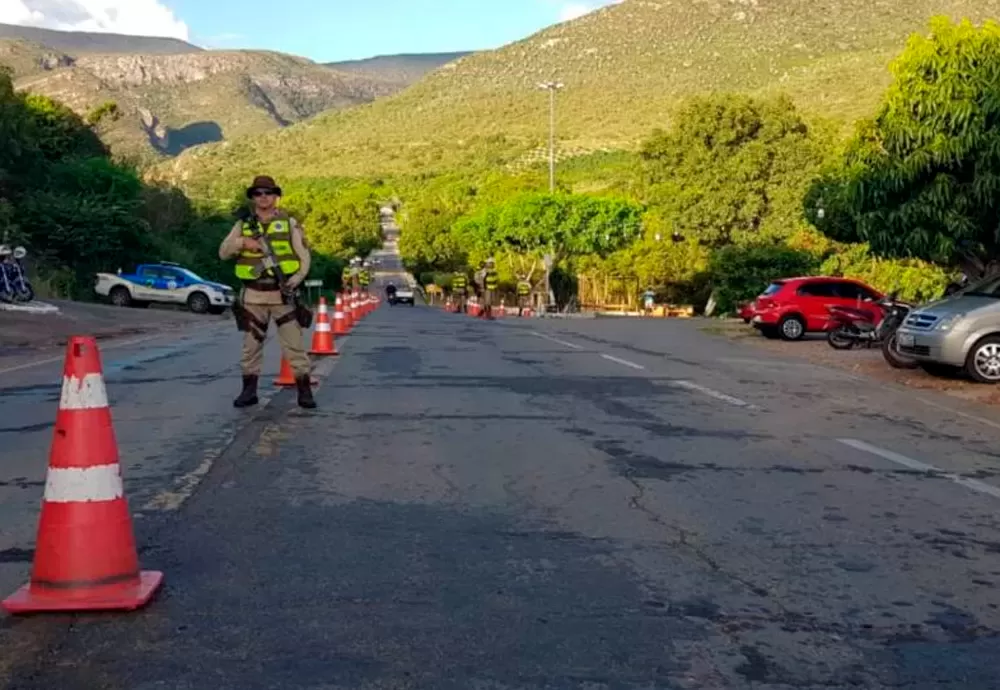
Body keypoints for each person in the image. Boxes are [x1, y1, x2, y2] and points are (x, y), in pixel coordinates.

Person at [219, 175, 316, 409]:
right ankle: (248, 392)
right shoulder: (243, 225)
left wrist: (294, 280)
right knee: (251, 346)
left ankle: (304, 391)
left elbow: (304, 257)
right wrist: (243, 243)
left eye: (268, 193)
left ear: (275, 196)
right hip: (253, 297)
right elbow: (223, 252)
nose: (263, 197)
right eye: (258, 193)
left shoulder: (289, 223)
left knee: (294, 346)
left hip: (282, 294)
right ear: (253, 198)